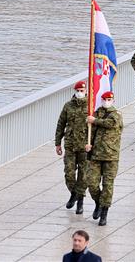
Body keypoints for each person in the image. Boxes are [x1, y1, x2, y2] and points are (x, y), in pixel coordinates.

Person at [86, 91, 123, 227]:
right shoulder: (96, 113)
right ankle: (98, 203)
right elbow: (90, 131)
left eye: (109, 99)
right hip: (96, 155)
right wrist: (88, 143)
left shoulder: (116, 115)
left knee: (108, 185)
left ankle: (104, 212)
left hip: (110, 156)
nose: (107, 101)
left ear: (113, 101)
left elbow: (111, 124)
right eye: (104, 99)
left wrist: (95, 121)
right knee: (92, 183)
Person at [55, 80, 89, 214]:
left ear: (86, 91)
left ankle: (80, 201)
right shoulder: (68, 106)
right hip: (70, 145)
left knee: (83, 176)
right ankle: (74, 193)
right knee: (69, 173)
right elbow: (60, 124)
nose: (80, 93)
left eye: (82, 91)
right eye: (78, 91)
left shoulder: (91, 106)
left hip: (85, 146)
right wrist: (58, 143)